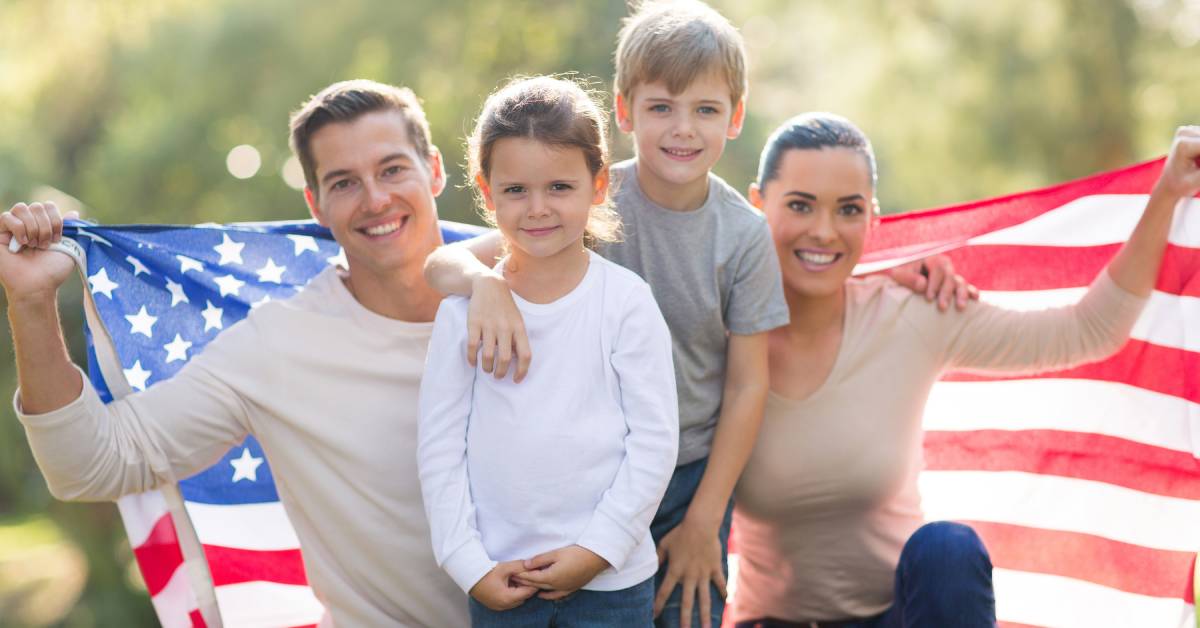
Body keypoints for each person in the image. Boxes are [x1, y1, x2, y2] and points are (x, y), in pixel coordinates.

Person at [422, 4, 971, 627]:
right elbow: (441, 264)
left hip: (688, 480)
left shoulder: (741, 237)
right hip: (591, 475)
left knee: (686, 610)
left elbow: (745, 385)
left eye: (705, 110)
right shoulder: (581, 196)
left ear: (735, 117)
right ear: (625, 111)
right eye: (661, 107)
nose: (682, 129)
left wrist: (706, 519)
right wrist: (481, 284)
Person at [0, 79, 471, 627]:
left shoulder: (531, 289)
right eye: (344, 183)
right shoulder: (277, 345)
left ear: (434, 170)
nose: (375, 199)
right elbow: (88, 466)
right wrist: (31, 303)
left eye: (392, 169)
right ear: (315, 204)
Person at [730, 114, 1200, 627]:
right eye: (800, 205)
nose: (823, 230)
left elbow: (1087, 330)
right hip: (768, 622)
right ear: (757, 205)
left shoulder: (911, 314)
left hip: (899, 616)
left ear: (873, 222)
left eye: (848, 210)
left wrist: (1168, 193)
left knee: (947, 549)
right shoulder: (719, 331)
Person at [417, 75, 679, 627]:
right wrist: (467, 564)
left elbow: (654, 442)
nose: (538, 208)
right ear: (487, 193)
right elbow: (440, 447)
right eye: (515, 190)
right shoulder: (462, 313)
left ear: (598, 184)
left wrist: (598, 551)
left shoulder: (626, 303)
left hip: (612, 581)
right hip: (500, 578)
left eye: (560, 187)